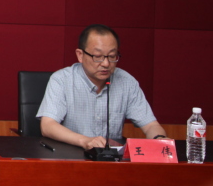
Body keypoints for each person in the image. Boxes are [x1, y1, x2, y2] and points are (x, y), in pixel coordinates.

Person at [37, 24, 167, 150]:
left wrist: (160, 139)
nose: (106, 63)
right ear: (80, 55)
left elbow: (151, 125)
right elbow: (48, 126)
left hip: (111, 158)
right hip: (70, 155)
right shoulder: (62, 80)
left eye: (112, 56)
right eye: (98, 57)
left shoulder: (126, 82)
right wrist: (85, 141)